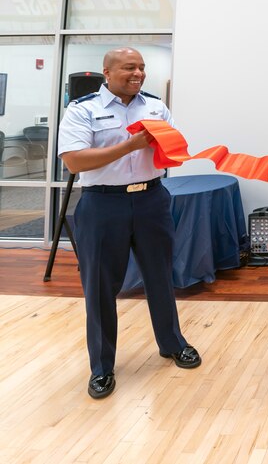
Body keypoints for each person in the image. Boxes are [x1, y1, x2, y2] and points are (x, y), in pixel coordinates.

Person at [58, 47, 201, 399]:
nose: (138, 73)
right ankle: (102, 367)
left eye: (141, 67)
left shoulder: (155, 106)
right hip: (103, 205)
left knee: (160, 276)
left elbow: (169, 150)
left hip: (152, 199)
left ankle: (171, 343)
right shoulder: (82, 110)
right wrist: (130, 144)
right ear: (106, 72)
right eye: (128, 67)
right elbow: (75, 161)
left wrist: (176, 149)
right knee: (100, 288)